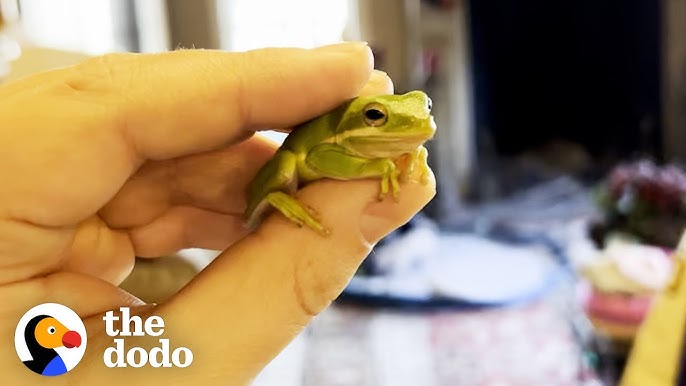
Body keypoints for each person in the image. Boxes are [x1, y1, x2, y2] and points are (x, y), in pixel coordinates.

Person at [0, 42, 435, 384]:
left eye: (427, 108)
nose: (422, 120)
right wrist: (378, 166)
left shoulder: (392, 132)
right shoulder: (337, 140)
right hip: (308, 158)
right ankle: (279, 196)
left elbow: (407, 131)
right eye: (377, 116)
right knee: (284, 166)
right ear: (363, 120)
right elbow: (318, 162)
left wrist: (401, 153)